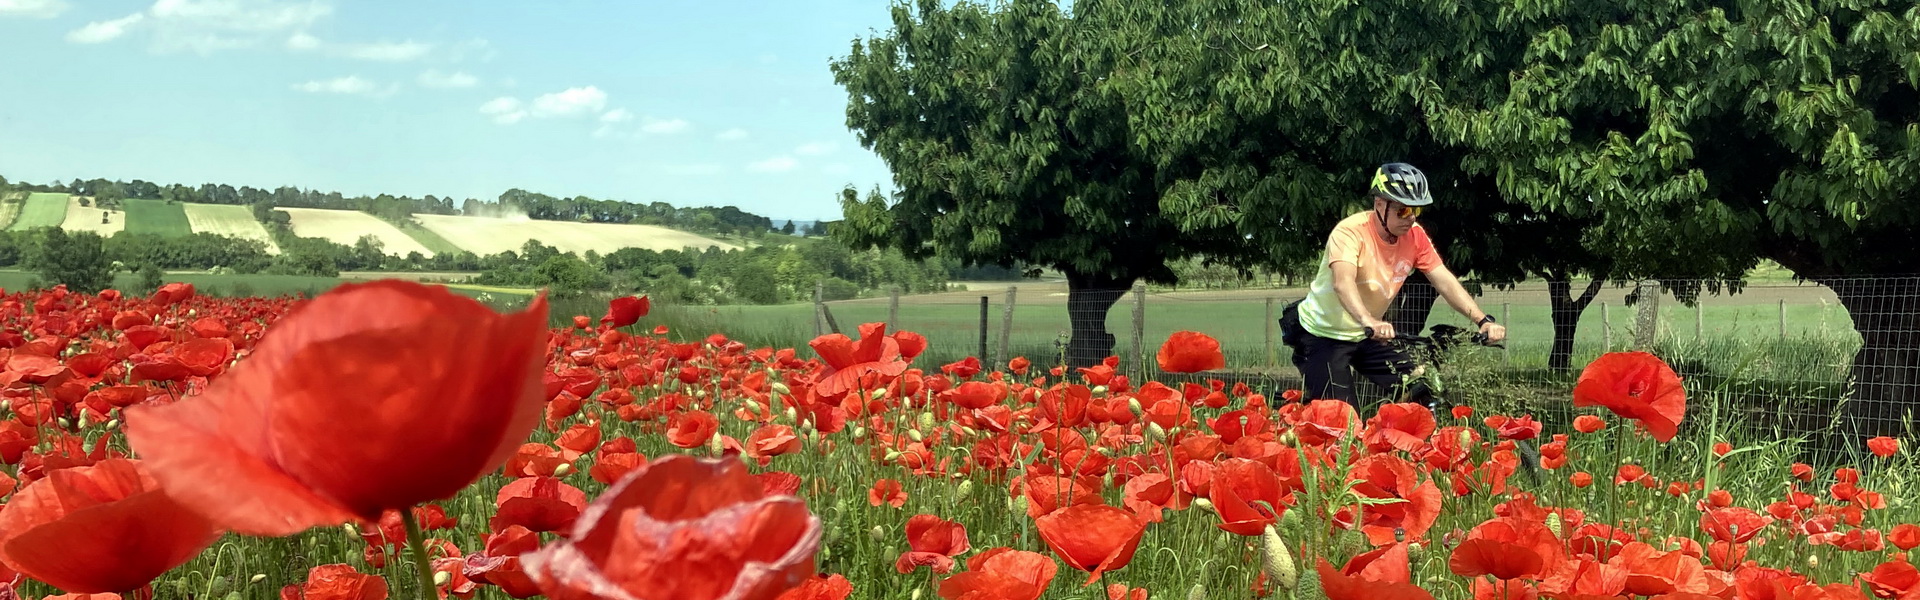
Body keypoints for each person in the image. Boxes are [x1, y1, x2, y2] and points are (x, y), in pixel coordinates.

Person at [1279, 162, 1507, 405]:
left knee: (1423, 389)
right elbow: (1343, 283)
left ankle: (1398, 441)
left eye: (1416, 211)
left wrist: (1482, 321)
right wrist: (1369, 320)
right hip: (1322, 335)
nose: (1410, 219)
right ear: (1380, 205)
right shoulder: (1350, 232)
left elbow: (1444, 280)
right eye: (1403, 211)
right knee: (1340, 422)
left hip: (1366, 335)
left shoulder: (1415, 236)